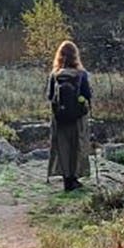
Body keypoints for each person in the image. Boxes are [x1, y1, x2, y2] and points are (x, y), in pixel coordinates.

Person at [46, 40, 92, 192]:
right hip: (78, 117)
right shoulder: (82, 74)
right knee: (77, 146)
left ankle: (66, 180)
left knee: (63, 147)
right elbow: (88, 94)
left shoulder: (55, 75)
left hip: (59, 118)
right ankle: (74, 178)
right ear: (75, 56)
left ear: (59, 56)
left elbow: (50, 96)